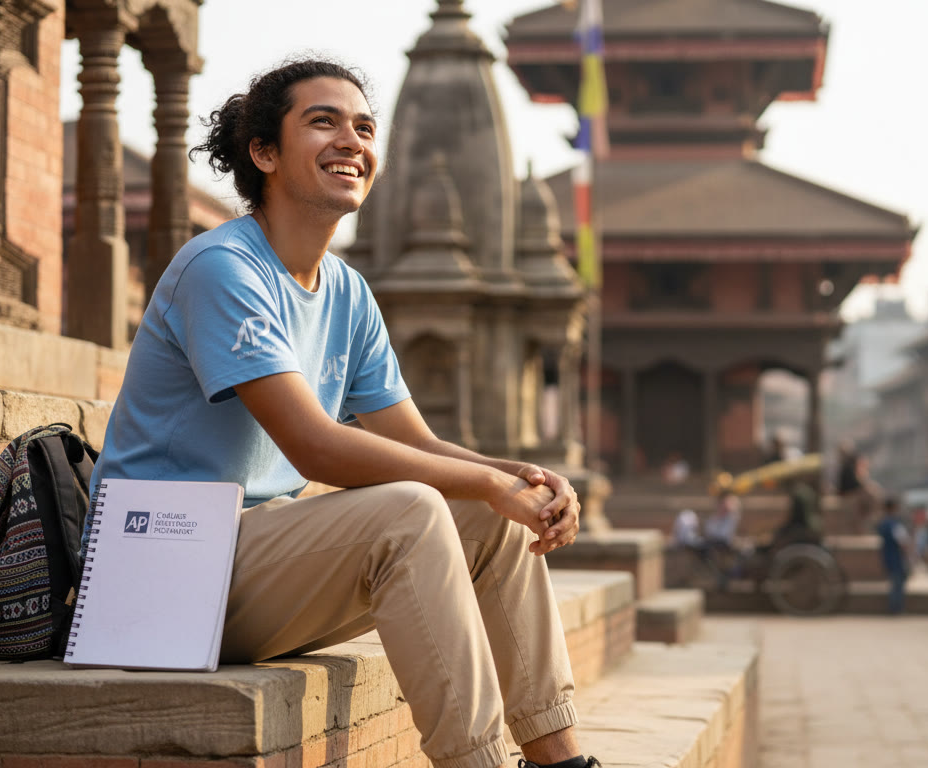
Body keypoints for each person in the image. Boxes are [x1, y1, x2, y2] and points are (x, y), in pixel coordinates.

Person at [91, 59, 599, 768]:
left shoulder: (348, 292)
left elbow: (413, 440)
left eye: (363, 126)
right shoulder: (224, 268)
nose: (351, 140)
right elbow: (317, 450)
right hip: (158, 569)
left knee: (492, 516)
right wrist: (482, 482)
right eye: (322, 121)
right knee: (415, 509)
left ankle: (563, 762)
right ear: (263, 153)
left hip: (246, 562)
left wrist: (521, 477)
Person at [874, 498, 913, 615]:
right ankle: (896, 608)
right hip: (896, 557)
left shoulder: (882, 524)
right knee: (898, 584)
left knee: (893, 583)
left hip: (887, 556)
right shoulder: (895, 524)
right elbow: (903, 542)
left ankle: (894, 607)